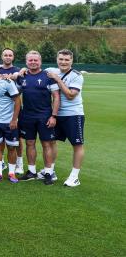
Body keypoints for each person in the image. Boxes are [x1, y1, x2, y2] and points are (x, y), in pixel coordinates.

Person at [16, 51, 60, 185]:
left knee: (46, 144)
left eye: (35, 60)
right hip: (27, 116)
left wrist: (53, 116)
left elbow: (56, 97)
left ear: (40, 62)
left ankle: (48, 172)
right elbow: (15, 94)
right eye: (30, 60)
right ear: (26, 62)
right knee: (30, 143)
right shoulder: (21, 77)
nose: (33, 62)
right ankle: (31, 171)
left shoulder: (48, 76)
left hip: (44, 116)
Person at [46, 49, 85, 187]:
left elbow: (70, 95)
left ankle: (74, 177)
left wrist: (57, 79)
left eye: (67, 60)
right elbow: (34, 69)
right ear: (57, 59)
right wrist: (22, 71)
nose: (63, 62)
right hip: (56, 114)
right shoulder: (51, 69)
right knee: (51, 142)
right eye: (61, 59)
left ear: (71, 61)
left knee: (77, 145)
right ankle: (51, 171)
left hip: (73, 114)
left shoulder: (77, 76)